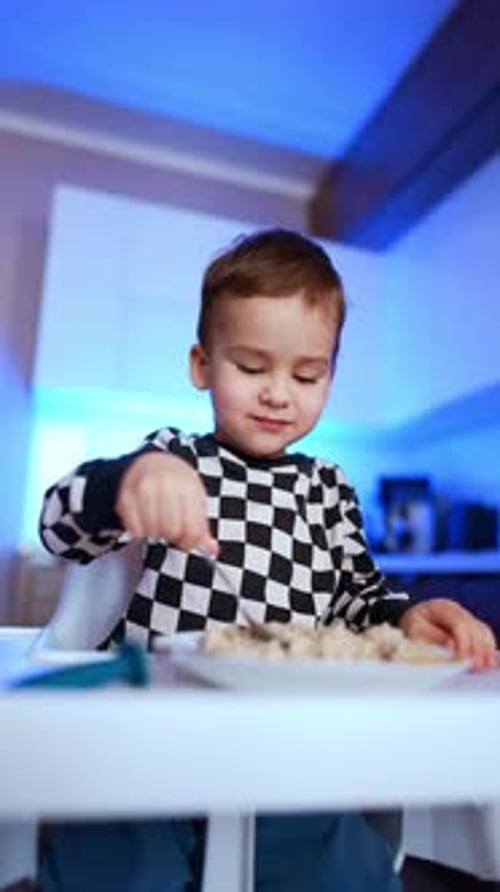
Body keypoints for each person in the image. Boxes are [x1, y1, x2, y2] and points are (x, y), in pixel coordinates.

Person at [37, 229, 497, 892]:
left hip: (287, 751)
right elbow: (59, 528)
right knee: (118, 870)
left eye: (307, 375)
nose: (279, 393)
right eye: (252, 368)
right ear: (202, 364)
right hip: (149, 744)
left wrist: (408, 621)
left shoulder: (327, 490)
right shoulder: (171, 458)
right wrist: (127, 483)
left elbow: (357, 604)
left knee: (349, 873)